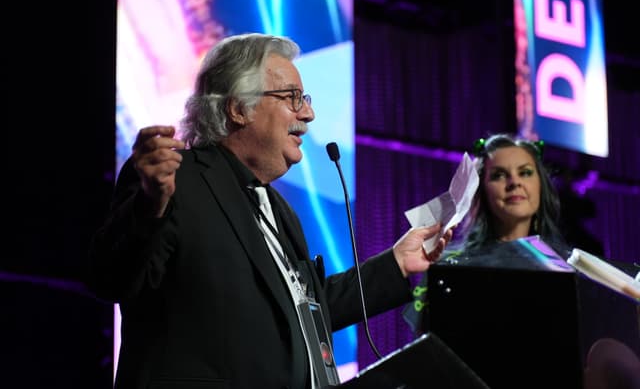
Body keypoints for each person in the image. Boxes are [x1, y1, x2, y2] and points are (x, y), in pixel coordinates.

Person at [88, 32, 453, 389]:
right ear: (238, 108)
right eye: (292, 98)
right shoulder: (175, 180)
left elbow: (305, 308)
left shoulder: (277, 207)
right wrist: (149, 207)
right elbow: (110, 277)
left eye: (304, 98)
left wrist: (397, 263)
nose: (308, 114)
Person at [403, 132, 569, 334]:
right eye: (499, 175)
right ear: (480, 189)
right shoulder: (451, 267)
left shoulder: (567, 269)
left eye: (525, 172)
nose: (514, 182)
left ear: (541, 185)